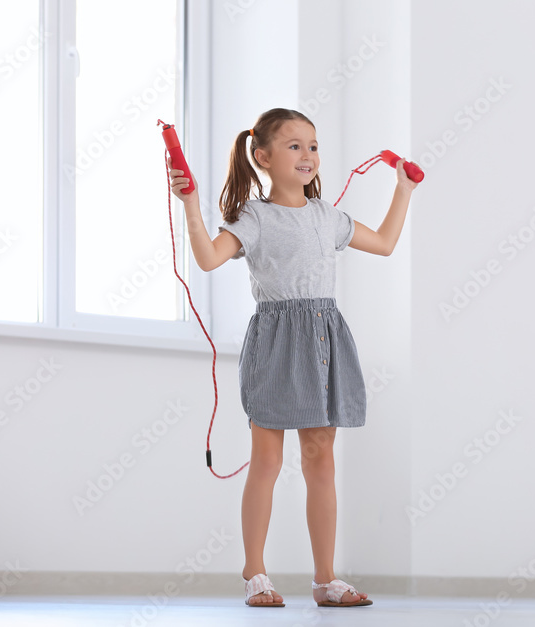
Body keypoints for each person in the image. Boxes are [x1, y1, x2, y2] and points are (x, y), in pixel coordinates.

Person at [167, 108, 418, 608]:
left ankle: (326, 579)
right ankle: (254, 572)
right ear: (262, 156)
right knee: (267, 459)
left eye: (314, 145)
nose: (308, 155)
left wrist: (403, 190)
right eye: (294, 146)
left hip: (325, 338)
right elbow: (210, 257)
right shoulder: (255, 217)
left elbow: (386, 244)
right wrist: (191, 204)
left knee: (320, 458)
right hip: (279, 340)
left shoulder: (329, 216)